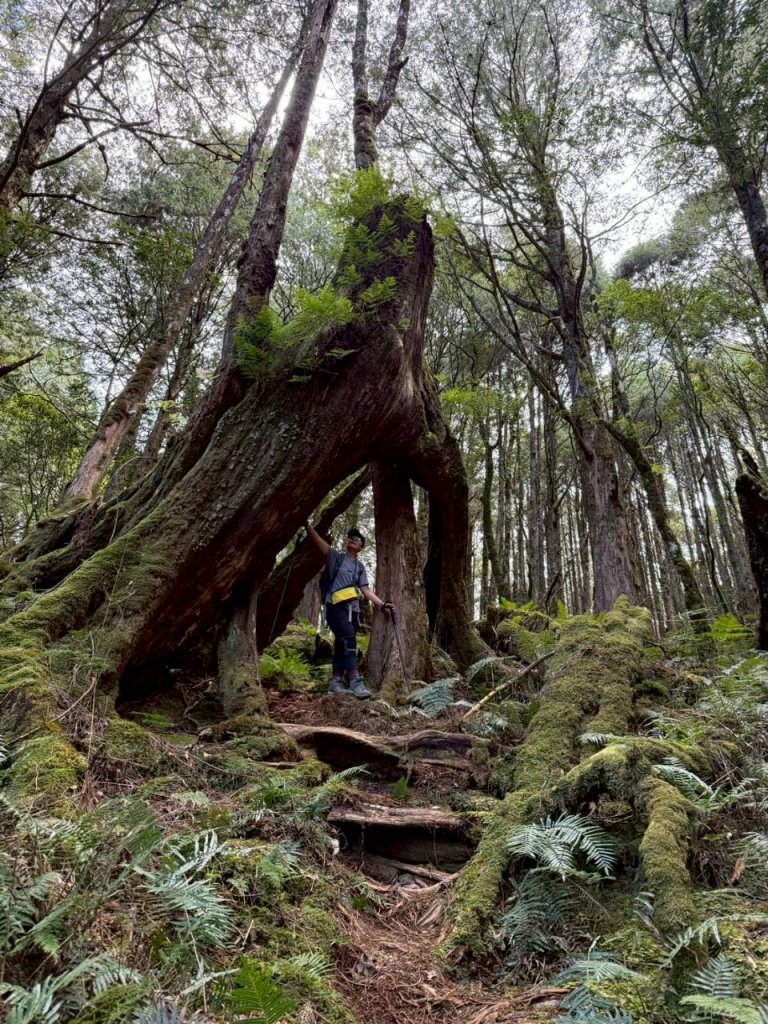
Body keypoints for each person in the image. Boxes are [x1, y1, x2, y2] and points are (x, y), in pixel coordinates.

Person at [305, 523, 393, 698]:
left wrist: (382, 604)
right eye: (351, 538)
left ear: (361, 547)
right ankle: (355, 680)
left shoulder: (360, 567)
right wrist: (306, 525)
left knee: (341, 643)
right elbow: (318, 541)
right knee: (349, 639)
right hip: (335, 606)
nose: (353, 540)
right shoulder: (335, 557)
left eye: (357, 539)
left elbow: (366, 590)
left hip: (352, 610)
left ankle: (336, 682)